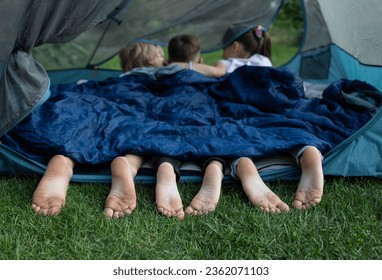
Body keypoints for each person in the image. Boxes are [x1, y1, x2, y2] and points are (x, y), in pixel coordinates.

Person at [172, 24, 323, 213]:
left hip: (242, 101)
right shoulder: (263, 60)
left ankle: (231, 163)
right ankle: (306, 149)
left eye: (224, 48)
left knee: (232, 127)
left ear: (234, 47)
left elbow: (216, 73)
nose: (223, 52)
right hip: (272, 102)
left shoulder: (227, 63)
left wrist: (184, 65)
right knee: (279, 125)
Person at [165, 34, 226, 216]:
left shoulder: (165, 70)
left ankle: (165, 167)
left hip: (170, 103)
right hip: (201, 104)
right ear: (200, 59)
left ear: (168, 58)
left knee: (166, 134)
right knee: (213, 131)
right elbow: (219, 73)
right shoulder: (206, 70)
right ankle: (215, 166)